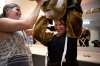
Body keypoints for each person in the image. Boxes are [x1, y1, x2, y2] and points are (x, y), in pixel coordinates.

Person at [0, 0, 44, 66]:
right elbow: (28, 24)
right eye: (17, 10)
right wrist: (40, 3)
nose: (20, 13)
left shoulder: (20, 29)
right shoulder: (1, 22)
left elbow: (35, 31)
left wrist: (46, 17)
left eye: (20, 11)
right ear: (7, 10)